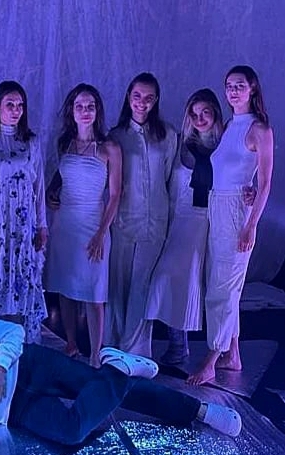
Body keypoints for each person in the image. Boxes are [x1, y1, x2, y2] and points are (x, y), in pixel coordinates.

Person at [0, 272, 242, 447]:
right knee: (73, 429)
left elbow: (12, 333)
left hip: (28, 365)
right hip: (6, 407)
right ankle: (118, 368)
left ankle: (199, 411)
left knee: (110, 389)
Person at [188, 66, 273, 385]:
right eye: (229, 86)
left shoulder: (259, 129)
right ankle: (232, 354)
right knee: (222, 284)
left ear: (252, 88)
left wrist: (251, 225)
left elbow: (265, 182)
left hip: (238, 212)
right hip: (217, 207)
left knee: (223, 289)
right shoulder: (228, 127)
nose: (233, 91)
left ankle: (212, 358)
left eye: (239, 85)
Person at [145, 89, 224, 364]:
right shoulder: (180, 143)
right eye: (194, 113)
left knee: (190, 282)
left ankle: (193, 346)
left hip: (205, 220)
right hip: (177, 217)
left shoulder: (223, 147)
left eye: (205, 113)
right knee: (165, 279)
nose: (199, 118)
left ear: (215, 113)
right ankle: (177, 343)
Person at [46, 84, 122, 367]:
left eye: (90, 106)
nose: (85, 111)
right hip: (65, 223)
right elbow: (59, 178)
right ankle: (71, 342)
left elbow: (115, 194)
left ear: (97, 110)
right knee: (65, 286)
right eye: (79, 106)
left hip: (93, 223)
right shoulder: (64, 144)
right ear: (72, 111)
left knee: (94, 292)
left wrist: (102, 233)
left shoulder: (109, 148)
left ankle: (95, 353)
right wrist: (51, 194)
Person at [105, 72, 178, 357]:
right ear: (128, 97)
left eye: (148, 98)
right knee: (117, 286)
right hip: (123, 220)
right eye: (137, 96)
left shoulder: (168, 135)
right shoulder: (116, 136)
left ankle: (134, 351)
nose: (142, 103)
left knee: (141, 287)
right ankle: (111, 347)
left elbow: (169, 178)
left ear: (156, 100)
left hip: (155, 221)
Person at [0, 81, 47, 343]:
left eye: (20, 105)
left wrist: (43, 225)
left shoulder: (32, 142)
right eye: (10, 104)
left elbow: (39, 186)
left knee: (25, 271)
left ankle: (24, 341)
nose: (16, 110)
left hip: (24, 221)